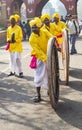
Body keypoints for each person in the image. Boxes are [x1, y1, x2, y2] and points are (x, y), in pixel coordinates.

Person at [29, 17, 54, 102]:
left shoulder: (44, 31)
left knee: (49, 74)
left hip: (49, 55)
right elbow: (38, 51)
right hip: (40, 58)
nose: (34, 29)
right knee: (38, 76)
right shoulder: (31, 38)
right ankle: (38, 95)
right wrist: (46, 59)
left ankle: (49, 90)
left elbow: (51, 38)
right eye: (32, 27)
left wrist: (55, 44)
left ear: (39, 27)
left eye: (35, 27)